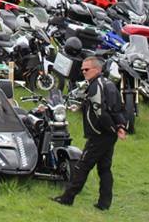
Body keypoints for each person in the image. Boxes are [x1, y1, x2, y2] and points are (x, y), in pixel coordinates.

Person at [52, 57, 127, 211]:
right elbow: (117, 108)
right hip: (108, 134)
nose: (84, 72)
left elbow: (100, 111)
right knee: (104, 168)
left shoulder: (96, 85)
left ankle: (67, 198)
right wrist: (120, 126)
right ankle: (104, 204)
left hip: (100, 134)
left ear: (97, 69)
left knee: (82, 166)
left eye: (87, 69)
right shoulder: (108, 84)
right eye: (82, 70)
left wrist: (112, 128)